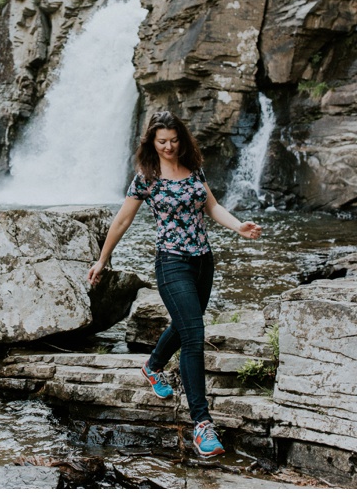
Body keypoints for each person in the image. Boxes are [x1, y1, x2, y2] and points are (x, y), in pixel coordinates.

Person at [87, 110, 263, 458]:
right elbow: (122, 220)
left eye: (173, 140)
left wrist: (238, 226)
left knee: (186, 326)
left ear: (181, 138)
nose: (168, 147)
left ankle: (152, 366)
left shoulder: (194, 168)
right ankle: (202, 425)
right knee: (194, 334)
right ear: (152, 143)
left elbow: (211, 207)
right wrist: (102, 260)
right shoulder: (146, 177)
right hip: (171, 262)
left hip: (203, 262)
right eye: (161, 142)